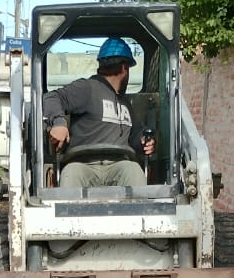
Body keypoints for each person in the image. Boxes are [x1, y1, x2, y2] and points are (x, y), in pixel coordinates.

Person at [42, 37, 155, 188]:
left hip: (119, 165)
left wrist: (144, 143)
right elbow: (51, 97)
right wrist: (59, 123)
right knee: (70, 173)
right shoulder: (88, 88)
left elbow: (135, 135)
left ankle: (139, 205)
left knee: (134, 171)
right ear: (124, 68)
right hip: (83, 164)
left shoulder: (126, 105)